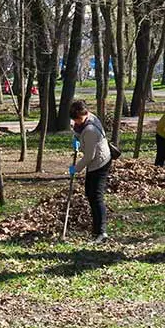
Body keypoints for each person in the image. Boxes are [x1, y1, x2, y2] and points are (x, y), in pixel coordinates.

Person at [68, 100, 112, 243]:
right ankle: (96, 229)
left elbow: (89, 156)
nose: (77, 122)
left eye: (79, 119)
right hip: (93, 162)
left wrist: (76, 169)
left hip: (100, 162)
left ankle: (101, 232)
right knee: (90, 193)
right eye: (75, 120)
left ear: (85, 114)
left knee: (96, 196)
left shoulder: (90, 130)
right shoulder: (82, 123)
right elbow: (77, 132)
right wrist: (76, 140)